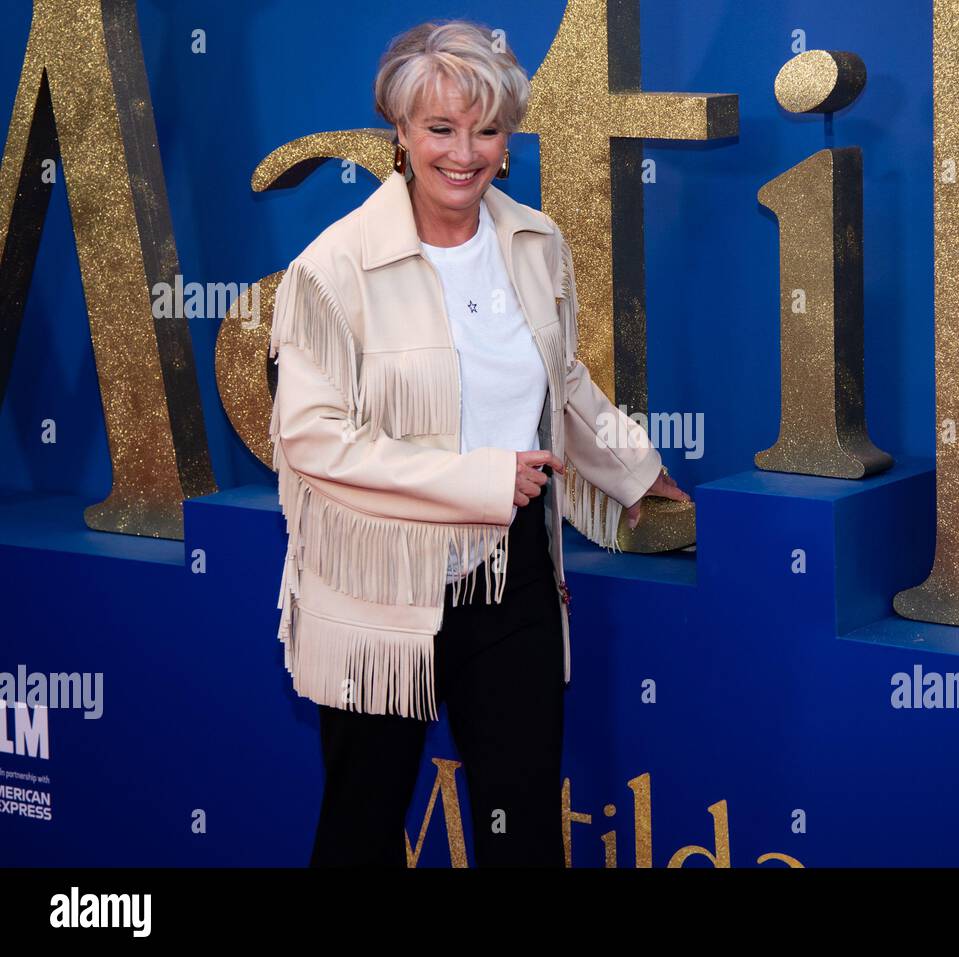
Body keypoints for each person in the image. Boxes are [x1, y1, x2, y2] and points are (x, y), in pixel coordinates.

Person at [267, 18, 690, 867]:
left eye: (487, 129)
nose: (465, 153)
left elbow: (563, 384)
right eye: (440, 128)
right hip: (378, 591)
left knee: (522, 831)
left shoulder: (534, 242)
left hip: (512, 581)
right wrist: (478, 480)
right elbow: (313, 442)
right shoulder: (333, 267)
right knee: (361, 826)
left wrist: (642, 475)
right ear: (399, 131)